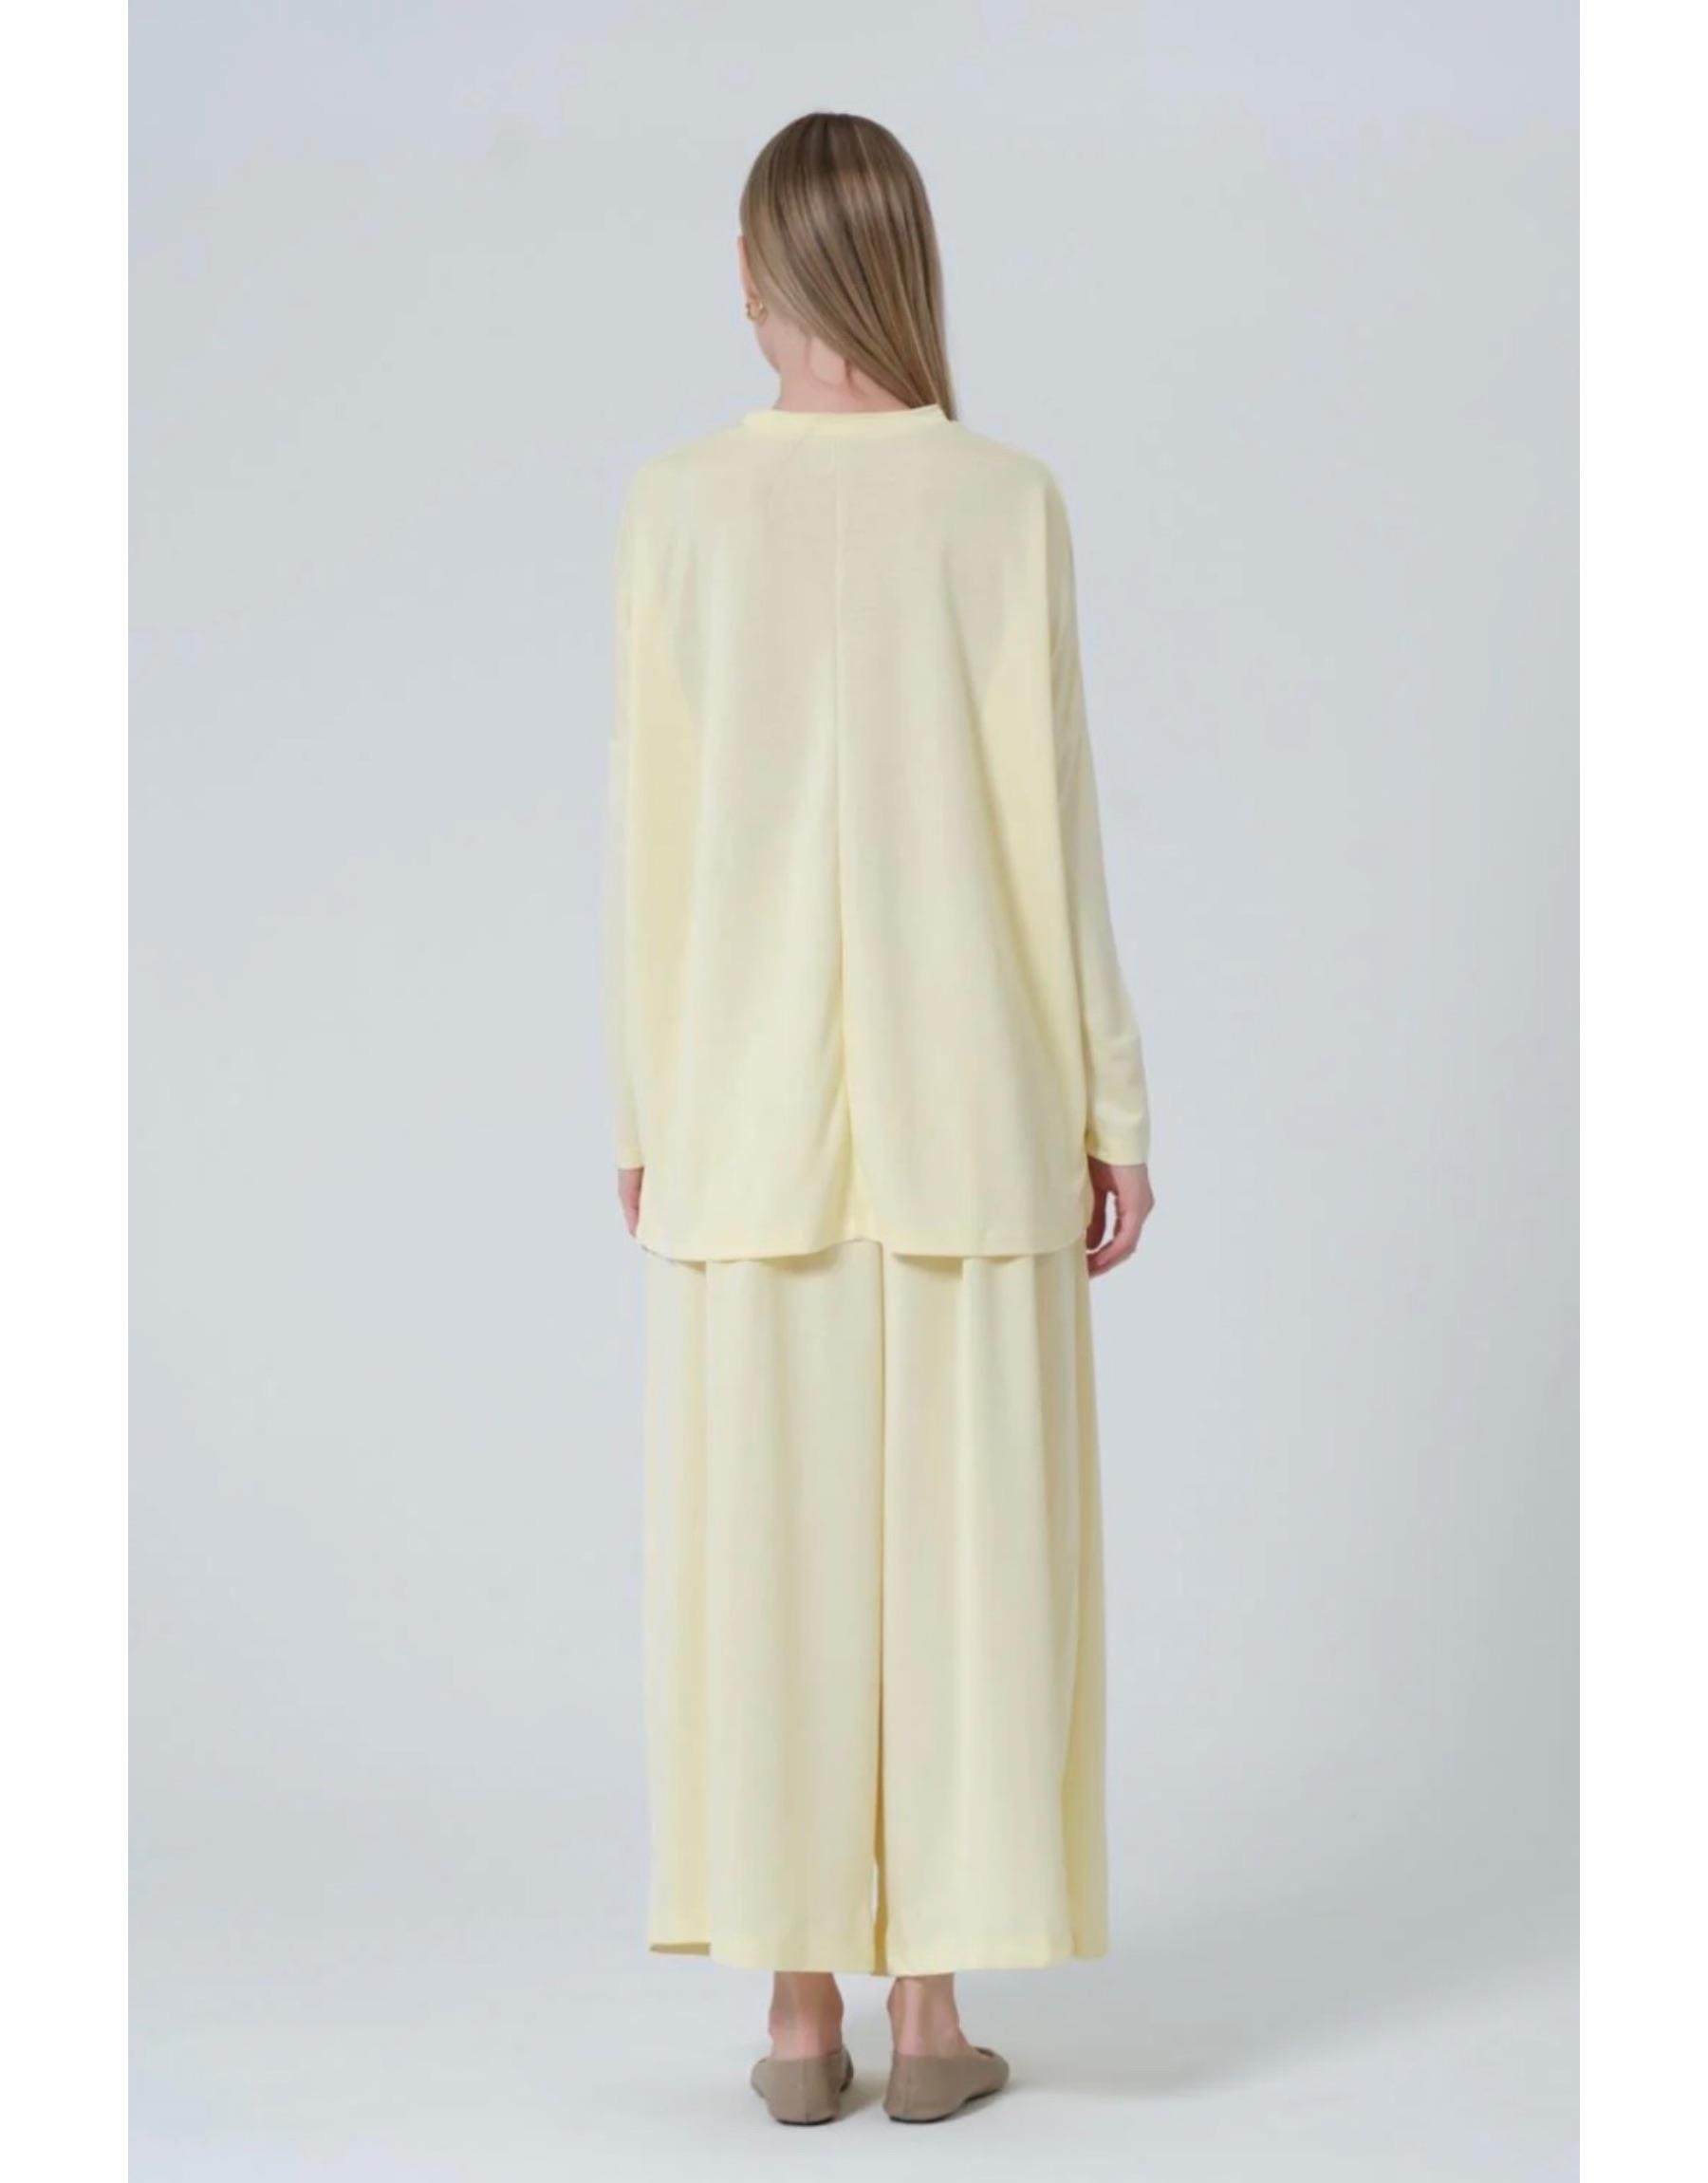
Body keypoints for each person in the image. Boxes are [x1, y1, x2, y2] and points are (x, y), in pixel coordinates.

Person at [603, 110, 1154, 2126]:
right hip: (972, 1106)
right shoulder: (1002, 500)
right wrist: (1107, 1101)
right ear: (905, 266)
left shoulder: (678, 507)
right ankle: (931, 2017)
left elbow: (652, 839)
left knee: (765, 1570)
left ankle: (796, 2018)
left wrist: (648, 1102)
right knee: (968, 1574)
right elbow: (1050, 826)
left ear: (759, 277)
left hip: (743, 1120)